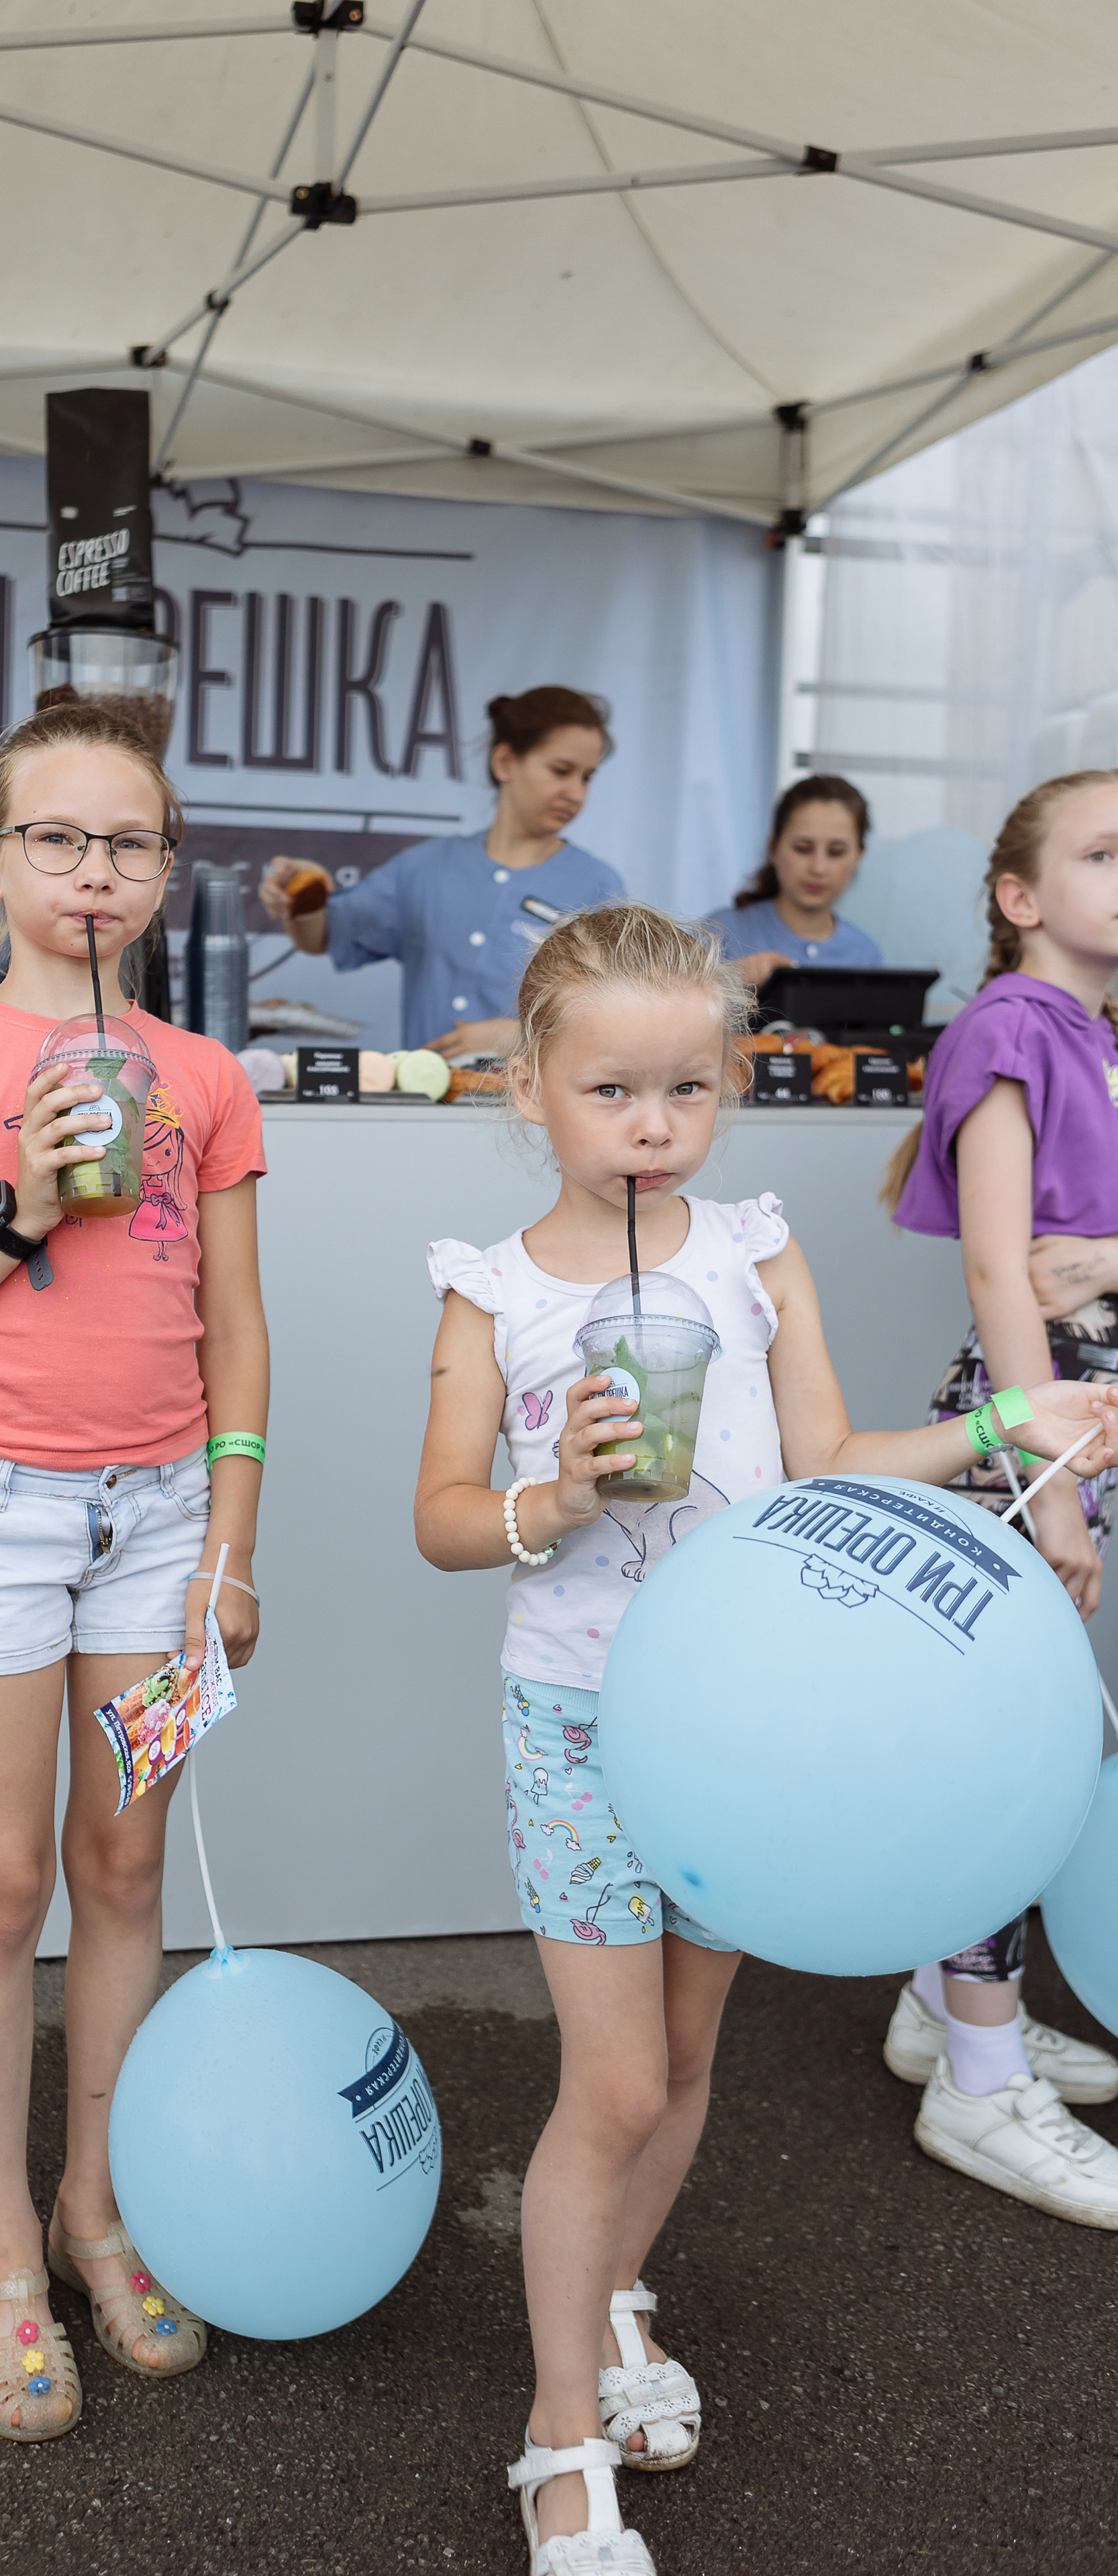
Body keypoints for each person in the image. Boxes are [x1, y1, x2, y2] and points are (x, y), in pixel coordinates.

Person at [413, 901, 1118, 2576]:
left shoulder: (751, 1249)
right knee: (615, 2077)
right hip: (580, 1719)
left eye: (684, 1090)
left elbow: (820, 1459)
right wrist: (561, 1488)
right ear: (530, 1085)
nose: (650, 1128)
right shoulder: (490, 1293)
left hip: (741, 1714)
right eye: (607, 1093)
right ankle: (557, 2432)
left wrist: (1003, 1420)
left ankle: (611, 2301)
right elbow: (438, 1521)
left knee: (686, 2057)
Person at [0, 701, 270, 2441]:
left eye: (132, 844)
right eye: (59, 840)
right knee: (5, 1881)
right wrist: (18, 1211)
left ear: (166, 874)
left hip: (165, 1521)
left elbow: (239, 1326)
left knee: (128, 1859)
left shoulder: (210, 1078)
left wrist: (230, 1543)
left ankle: (97, 2206)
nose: (97, 873)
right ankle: (0, 2247)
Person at [877, 769, 1118, 2215]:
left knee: (1020, 1734)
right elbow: (995, 1268)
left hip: (1075, 1417)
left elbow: (1075, 1257)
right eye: (1100, 853)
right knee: (1005, 1755)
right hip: (1040, 1430)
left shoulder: (1086, 1033)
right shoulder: (1006, 1029)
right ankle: (976, 2086)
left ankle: (937, 2005)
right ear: (1019, 898)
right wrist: (1041, 1477)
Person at [258, 685, 623, 1056]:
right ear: (505, 763)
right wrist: (302, 896)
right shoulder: (426, 867)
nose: (576, 793)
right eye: (561, 771)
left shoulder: (598, 886)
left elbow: (617, 1022)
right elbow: (322, 937)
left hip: (534, 1109)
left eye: (587, 777)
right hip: (426, 1105)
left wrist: (519, 1038)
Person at [703, 774, 880, 988]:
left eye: (836, 852)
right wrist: (725, 983)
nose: (818, 868)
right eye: (802, 849)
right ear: (774, 849)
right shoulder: (720, 934)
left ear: (859, 856)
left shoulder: (866, 954)